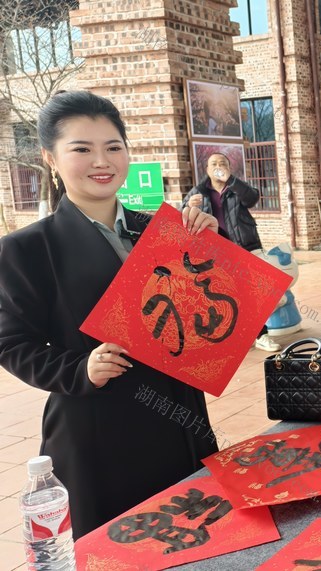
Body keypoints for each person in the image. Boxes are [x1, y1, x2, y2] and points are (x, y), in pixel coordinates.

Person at [0, 91, 222, 538]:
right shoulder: (26, 250)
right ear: (50, 158)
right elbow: (11, 343)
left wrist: (212, 247)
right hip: (98, 425)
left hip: (179, 414)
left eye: (113, 147)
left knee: (199, 536)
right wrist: (80, 368)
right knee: (121, 545)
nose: (101, 161)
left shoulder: (161, 229)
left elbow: (208, 309)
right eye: (81, 149)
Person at [182, 153, 279, 351]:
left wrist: (232, 181)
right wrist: (188, 205)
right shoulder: (198, 192)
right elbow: (183, 217)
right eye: (214, 164)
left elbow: (252, 198)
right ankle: (233, 335)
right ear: (207, 170)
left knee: (253, 294)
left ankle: (261, 335)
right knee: (220, 294)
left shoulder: (236, 188)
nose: (219, 166)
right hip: (215, 253)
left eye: (223, 163)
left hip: (244, 248)